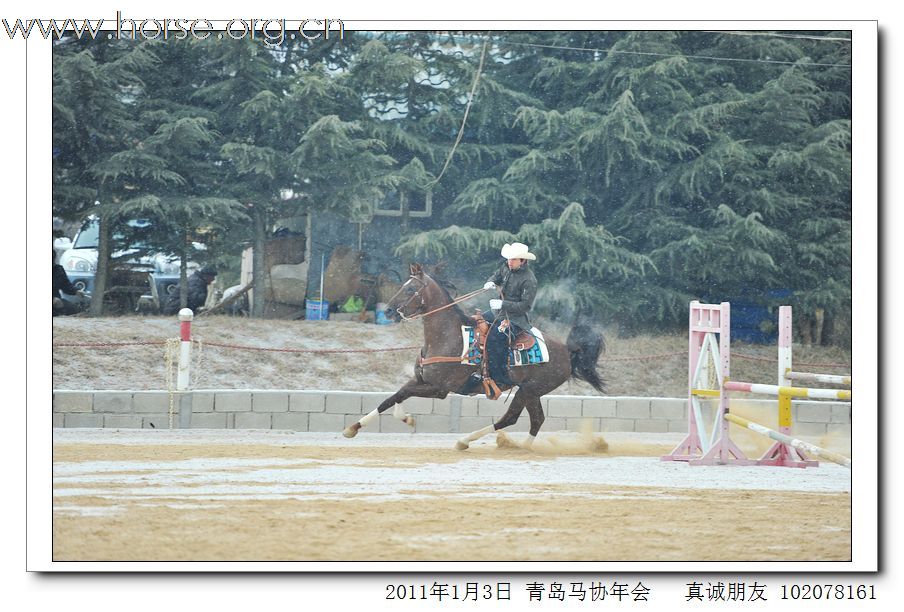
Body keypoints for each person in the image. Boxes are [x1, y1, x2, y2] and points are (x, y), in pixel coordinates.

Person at [479, 242, 538, 387]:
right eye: (509, 259)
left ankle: (500, 375)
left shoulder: (529, 280)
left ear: (522, 261)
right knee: (477, 322)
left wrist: (502, 304)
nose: (509, 262)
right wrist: (491, 282)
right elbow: (496, 276)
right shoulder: (507, 267)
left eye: (513, 259)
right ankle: (479, 364)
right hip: (498, 314)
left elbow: (525, 306)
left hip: (516, 320)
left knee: (495, 337)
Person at [53, 249, 84, 316]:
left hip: (58, 301)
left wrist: (76, 291)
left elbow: (66, 285)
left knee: (75, 309)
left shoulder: (58, 269)